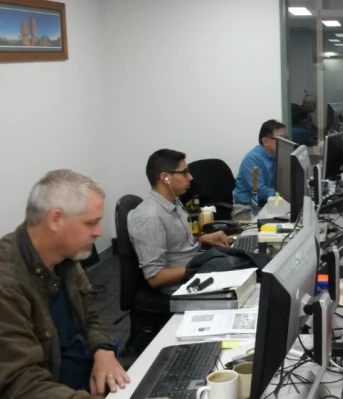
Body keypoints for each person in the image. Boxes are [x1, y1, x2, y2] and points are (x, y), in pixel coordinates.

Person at [0, 170, 130, 396]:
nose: (99, 232)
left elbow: (89, 318)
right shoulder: (7, 283)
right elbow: (22, 385)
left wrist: (103, 350)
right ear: (55, 219)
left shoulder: (65, 258)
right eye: (91, 223)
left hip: (87, 377)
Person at [128, 149, 232, 294]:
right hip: (185, 286)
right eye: (184, 173)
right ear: (165, 178)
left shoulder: (173, 202)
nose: (190, 177)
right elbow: (155, 278)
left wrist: (204, 238)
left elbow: (175, 243)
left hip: (195, 269)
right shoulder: (150, 217)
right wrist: (202, 265)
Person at [232, 120, 288, 221]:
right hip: (247, 209)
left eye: (286, 138)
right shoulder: (252, 159)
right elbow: (260, 191)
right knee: (284, 222)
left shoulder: (277, 156)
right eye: (281, 139)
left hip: (268, 204)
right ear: (265, 141)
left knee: (296, 215)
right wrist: (286, 197)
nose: (285, 143)